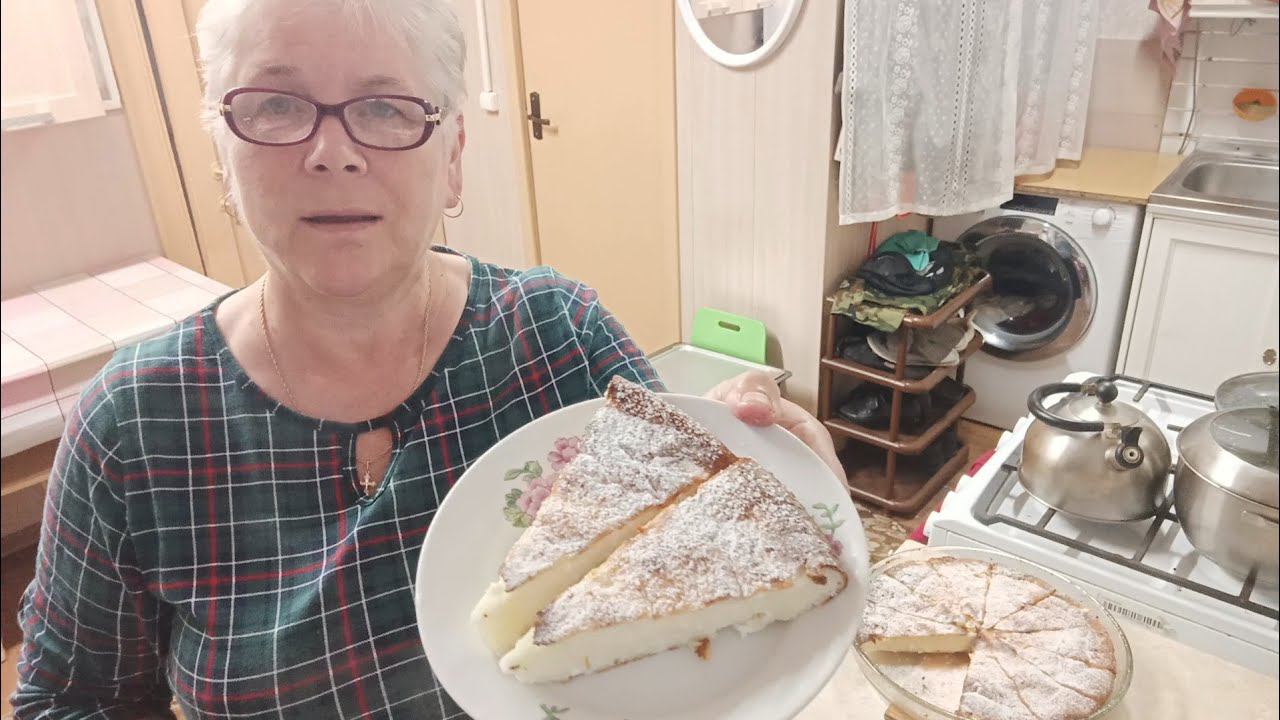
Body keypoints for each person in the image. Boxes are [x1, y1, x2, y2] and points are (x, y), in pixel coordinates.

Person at [9, 1, 841, 717]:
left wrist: (786, 469)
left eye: (385, 108)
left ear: (452, 159)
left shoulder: (558, 335)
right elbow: (68, 700)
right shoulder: (135, 423)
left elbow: (692, 542)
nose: (332, 152)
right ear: (223, 156)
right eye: (276, 105)